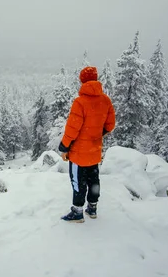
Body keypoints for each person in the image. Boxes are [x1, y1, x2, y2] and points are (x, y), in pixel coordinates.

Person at [59, 66, 116, 223]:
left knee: (78, 181)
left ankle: (77, 212)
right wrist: (96, 134)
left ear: (82, 80)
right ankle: (92, 208)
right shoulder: (105, 100)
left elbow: (72, 129)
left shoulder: (80, 102)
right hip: (95, 151)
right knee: (94, 180)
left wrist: (64, 147)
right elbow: (110, 125)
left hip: (78, 153)